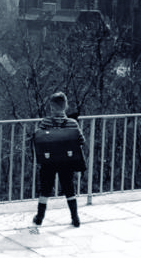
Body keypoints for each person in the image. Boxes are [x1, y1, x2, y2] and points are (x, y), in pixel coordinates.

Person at [32, 92, 85, 228]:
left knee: (45, 189)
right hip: (67, 161)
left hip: (49, 161)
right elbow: (81, 141)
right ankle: (75, 217)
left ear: (51, 107)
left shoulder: (45, 122)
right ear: (66, 106)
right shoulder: (73, 123)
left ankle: (40, 217)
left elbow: (39, 140)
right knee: (69, 188)